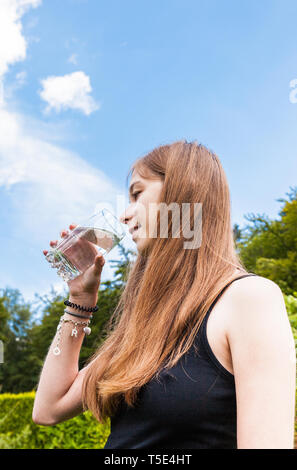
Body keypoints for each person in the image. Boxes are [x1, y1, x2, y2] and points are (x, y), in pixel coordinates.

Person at [33, 140, 296, 449]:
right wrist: (80, 300)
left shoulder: (249, 299)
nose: (125, 215)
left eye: (137, 194)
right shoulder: (144, 328)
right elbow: (49, 408)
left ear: (182, 190)